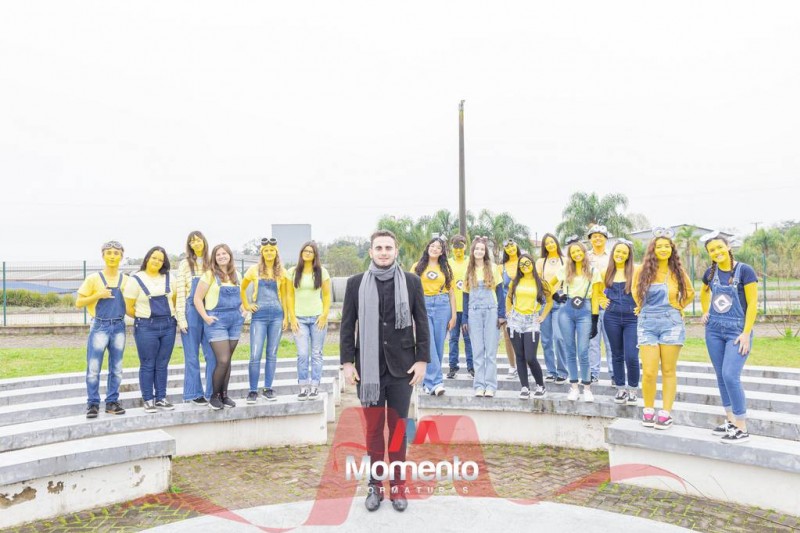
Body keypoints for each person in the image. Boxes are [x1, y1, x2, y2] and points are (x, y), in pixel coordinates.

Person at [340, 229, 430, 512]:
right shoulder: (355, 284)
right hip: (369, 370)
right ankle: (375, 487)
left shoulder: (412, 282)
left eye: (388, 248)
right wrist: (347, 363)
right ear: (371, 252)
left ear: (395, 251)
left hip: (403, 368)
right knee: (374, 431)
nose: (383, 252)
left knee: (399, 429)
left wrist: (422, 360)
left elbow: (422, 322)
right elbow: (347, 325)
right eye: (378, 248)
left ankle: (398, 487)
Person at [632, 228, 695, 430]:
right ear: (653, 249)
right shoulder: (642, 270)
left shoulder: (677, 272)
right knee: (649, 371)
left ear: (672, 249)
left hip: (671, 324)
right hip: (647, 324)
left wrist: (679, 306)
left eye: (667, 246)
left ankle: (665, 413)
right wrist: (640, 306)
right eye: (659, 246)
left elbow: (690, 292)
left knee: (668, 370)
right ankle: (648, 409)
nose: (663, 249)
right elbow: (634, 290)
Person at [700, 231, 758, 442]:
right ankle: (731, 421)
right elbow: (704, 292)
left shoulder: (745, 271)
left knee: (730, 375)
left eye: (719, 247)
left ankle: (742, 428)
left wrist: (746, 333)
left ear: (728, 247)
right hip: (714, 330)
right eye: (712, 250)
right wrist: (704, 311)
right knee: (721, 375)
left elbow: (753, 303)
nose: (717, 252)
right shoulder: (710, 273)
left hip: (737, 332)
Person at [76, 240, 129, 418]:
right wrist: (98, 294)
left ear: (121, 256)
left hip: (119, 326)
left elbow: (131, 304)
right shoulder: (93, 278)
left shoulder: (126, 280)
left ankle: (112, 402)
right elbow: (79, 302)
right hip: (99, 326)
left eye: (116, 253)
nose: (112, 256)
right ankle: (92, 403)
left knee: (117, 368)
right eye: (109, 253)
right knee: (93, 367)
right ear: (103, 256)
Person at [124, 246, 177, 414]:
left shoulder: (170, 278)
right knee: (148, 363)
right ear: (147, 258)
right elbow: (128, 307)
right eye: (154, 258)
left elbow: (174, 300)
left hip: (168, 325)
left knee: (162, 363)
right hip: (146, 327)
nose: (157, 261)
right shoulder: (135, 279)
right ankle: (148, 399)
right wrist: (144, 317)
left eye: (160, 260)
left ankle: (161, 398)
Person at [193, 244, 245, 410]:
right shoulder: (209, 275)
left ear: (230, 255)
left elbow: (242, 297)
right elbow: (197, 298)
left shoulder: (237, 275)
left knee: (228, 360)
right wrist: (205, 317)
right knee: (222, 360)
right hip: (217, 322)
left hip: (235, 321)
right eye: (218, 254)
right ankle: (214, 397)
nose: (222, 256)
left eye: (224, 253)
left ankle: (224, 395)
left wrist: (244, 311)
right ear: (214, 258)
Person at [241, 238, 289, 403]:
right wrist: (247, 305)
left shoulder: (282, 272)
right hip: (259, 317)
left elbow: (286, 295)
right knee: (255, 354)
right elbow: (242, 287)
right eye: (266, 250)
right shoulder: (253, 270)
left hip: (277, 316)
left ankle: (268, 388)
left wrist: (286, 317)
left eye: (272, 250)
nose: (269, 253)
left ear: (276, 252)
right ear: (262, 253)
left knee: (272, 353)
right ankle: (253, 390)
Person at [556, 237, 604, 402]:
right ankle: (574, 386)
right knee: (570, 350)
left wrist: (595, 319)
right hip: (566, 310)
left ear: (584, 252)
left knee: (583, 351)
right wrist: (555, 295)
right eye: (573, 252)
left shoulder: (593, 271)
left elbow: (596, 296)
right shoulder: (565, 270)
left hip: (586, 310)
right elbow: (548, 284)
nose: (576, 254)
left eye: (579, 251)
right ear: (570, 255)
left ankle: (587, 388)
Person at [287, 241, 332, 400]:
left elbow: (327, 295)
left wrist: (324, 315)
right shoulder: (292, 272)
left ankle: (314, 386)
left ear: (315, 255)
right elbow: (289, 295)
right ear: (301, 253)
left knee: (316, 354)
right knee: (302, 354)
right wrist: (292, 317)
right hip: (299, 319)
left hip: (318, 318)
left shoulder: (322, 272)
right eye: (305, 251)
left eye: (310, 251)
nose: (307, 253)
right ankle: (303, 387)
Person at [461, 237, 505, 397]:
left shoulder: (493, 267)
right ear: (472, 251)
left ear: (485, 252)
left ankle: (491, 386)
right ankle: (479, 385)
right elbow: (465, 296)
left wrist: (501, 314)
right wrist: (464, 318)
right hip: (474, 313)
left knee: (490, 352)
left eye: (482, 249)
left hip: (491, 311)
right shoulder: (469, 269)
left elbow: (500, 292)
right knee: (478, 351)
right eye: (476, 249)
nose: (479, 251)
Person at [412, 237, 456, 396]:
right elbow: (411, 290)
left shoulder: (446, 268)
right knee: (428, 343)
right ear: (427, 247)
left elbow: (451, 293)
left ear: (442, 251)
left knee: (438, 346)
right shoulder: (417, 266)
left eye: (438, 247)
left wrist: (453, 316)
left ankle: (427, 383)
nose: (435, 249)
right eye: (432, 246)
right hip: (423, 304)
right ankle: (436, 382)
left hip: (442, 305)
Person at [506, 253, 553, 399]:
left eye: (527, 263)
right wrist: (508, 311)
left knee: (530, 357)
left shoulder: (541, 283)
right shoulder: (515, 282)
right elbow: (509, 297)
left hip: (531, 320)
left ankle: (540, 386)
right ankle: (524, 387)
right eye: (522, 264)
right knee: (519, 356)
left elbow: (550, 301)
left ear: (532, 263)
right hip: (515, 320)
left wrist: (542, 316)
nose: (525, 266)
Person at [175, 230, 214, 405]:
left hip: (210, 310)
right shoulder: (185, 264)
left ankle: (212, 392)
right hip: (191, 312)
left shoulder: (211, 262)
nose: (196, 243)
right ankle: (193, 393)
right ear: (189, 245)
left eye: (199, 240)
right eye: (193, 241)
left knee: (212, 355)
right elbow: (180, 292)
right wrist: (181, 318)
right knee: (191, 356)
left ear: (204, 242)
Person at [602, 239, 639, 405]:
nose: (620, 255)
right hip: (612, 317)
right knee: (616, 354)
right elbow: (595, 290)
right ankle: (620, 389)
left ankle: (633, 389)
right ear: (613, 253)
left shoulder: (636, 271)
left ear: (628, 255)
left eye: (624, 252)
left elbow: (645, 290)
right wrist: (601, 300)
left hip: (632, 318)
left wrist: (641, 306)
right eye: (618, 251)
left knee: (631, 356)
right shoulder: (605, 272)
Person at [536, 233, 568, 384]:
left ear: (556, 243)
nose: (550, 245)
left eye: (552, 242)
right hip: (545, 301)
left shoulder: (565, 260)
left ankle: (562, 371)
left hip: (561, 301)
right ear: (544, 246)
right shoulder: (540, 262)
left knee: (559, 337)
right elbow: (538, 280)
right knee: (546, 339)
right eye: (547, 243)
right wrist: (551, 293)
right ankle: (551, 371)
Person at [586, 224, 612, 383]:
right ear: (590, 240)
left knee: (611, 342)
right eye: (594, 236)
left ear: (606, 239)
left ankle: (615, 374)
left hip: (610, 302)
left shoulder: (612, 256)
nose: (597, 238)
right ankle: (593, 373)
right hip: (591, 303)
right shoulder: (585, 257)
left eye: (600, 236)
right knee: (593, 342)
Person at [446, 235, 474, 379]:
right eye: (455, 247)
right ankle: (453, 367)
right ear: (451, 248)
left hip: (468, 307)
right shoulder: (447, 263)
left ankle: (472, 367)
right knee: (453, 338)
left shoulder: (471, 261)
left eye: (461, 246)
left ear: (465, 247)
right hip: (453, 308)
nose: (458, 250)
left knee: (469, 339)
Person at [499, 239, 521, 379]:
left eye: (512, 246)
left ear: (517, 247)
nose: (511, 249)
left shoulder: (524, 262)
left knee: (524, 336)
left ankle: (524, 366)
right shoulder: (501, 267)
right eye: (507, 247)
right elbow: (499, 289)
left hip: (524, 305)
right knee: (508, 337)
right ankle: (512, 366)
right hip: (507, 306)